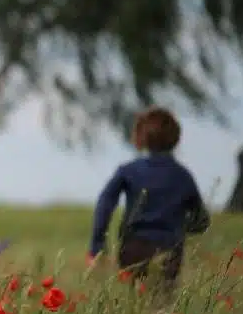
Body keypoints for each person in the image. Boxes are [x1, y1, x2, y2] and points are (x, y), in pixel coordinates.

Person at [87, 107, 210, 290]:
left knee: (133, 304)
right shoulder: (183, 176)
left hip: (133, 248)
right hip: (170, 249)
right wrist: (177, 229)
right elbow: (202, 221)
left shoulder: (128, 171)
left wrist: (97, 245)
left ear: (141, 136)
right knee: (162, 305)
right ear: (175, 138)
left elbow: (105, 204)